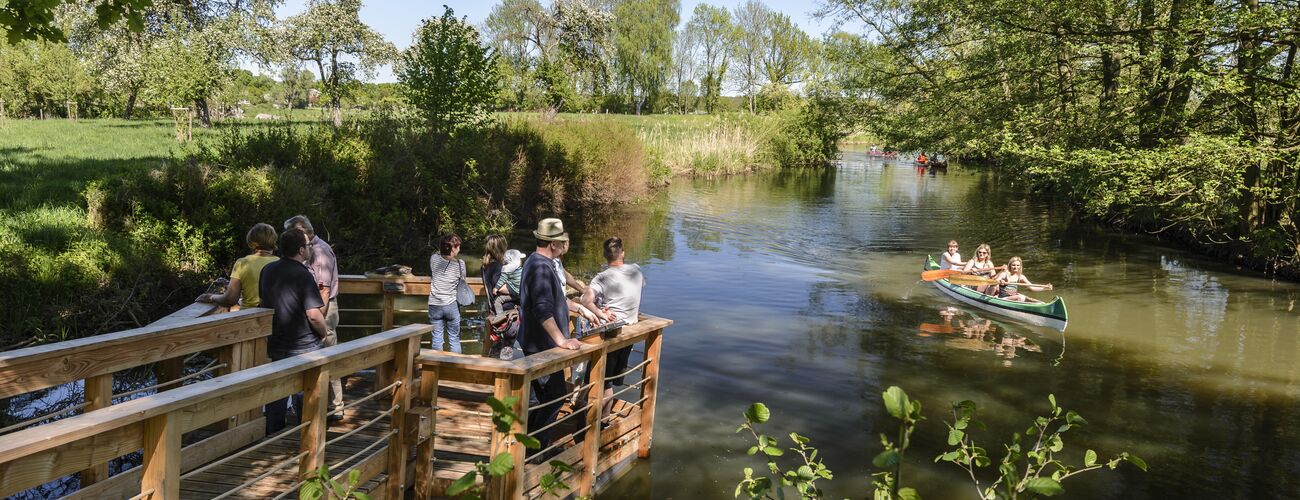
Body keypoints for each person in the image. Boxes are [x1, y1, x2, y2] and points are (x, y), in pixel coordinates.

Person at [518, 218, 596, 452]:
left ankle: (529, 446)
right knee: (555, 396)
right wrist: (561, 340)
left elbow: (555, 300)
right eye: (562, 241)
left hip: (539, 345)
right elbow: (542, 308)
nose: (564, 244)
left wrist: (578, 308)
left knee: (539, 400)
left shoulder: (537, 262)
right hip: (543, 347)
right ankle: (536, 449)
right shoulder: (541, 267)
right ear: (553, 244)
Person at [259, 228, 329, 434]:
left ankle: (273, 431)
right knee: (305, 390)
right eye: (308, 246)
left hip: (276, 339)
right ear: (300, 250)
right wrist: (324, 333)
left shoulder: (268, 270)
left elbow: (264, 301)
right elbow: (314, 315)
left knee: (278, 388)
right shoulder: (303, 275)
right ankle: (306, 431)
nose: (309, 249)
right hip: (304, 343)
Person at [284, 215, 344, 421]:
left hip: (322, 311)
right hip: (313, 311)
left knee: (329, 357)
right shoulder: (308, 250)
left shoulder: (320, 251)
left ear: (303, 232)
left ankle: (335, 408)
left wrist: (318, 320)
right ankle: (311, 407)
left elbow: (324, 292)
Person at [580, 237, 645, 419]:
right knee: (608, 379)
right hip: (629, 333)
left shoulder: (602, 277)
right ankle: (594, 417)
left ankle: (599, 424)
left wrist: (601, 313)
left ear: (604, 255)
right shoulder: (636, 271)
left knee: (599, 381)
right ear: (622, 254)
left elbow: (585, 300)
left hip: (611, 333)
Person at [197, 223, 278, 308]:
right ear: (273, 241)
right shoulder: (281, 262)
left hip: (249, 317)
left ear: (250, 243)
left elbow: (230, 299)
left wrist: (210, 297)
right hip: (274, 317)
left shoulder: (242, 263)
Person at [428, 233, 467, 353]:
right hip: (451, 305)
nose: (459, 249)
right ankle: (454, 368)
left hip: (434, 304)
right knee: (454, 339)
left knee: (436, 339)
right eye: (458, 246)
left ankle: (436, 368)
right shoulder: (460, 264)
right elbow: (463, 280)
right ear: (453, 248)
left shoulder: (434, 259)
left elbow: (437, 255)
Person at [481, 234, 508, 311]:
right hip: (505, 309)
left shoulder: (484, 266)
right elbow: (500, 288)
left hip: (493, 307)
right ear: (501, 248)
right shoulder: (497, 267)